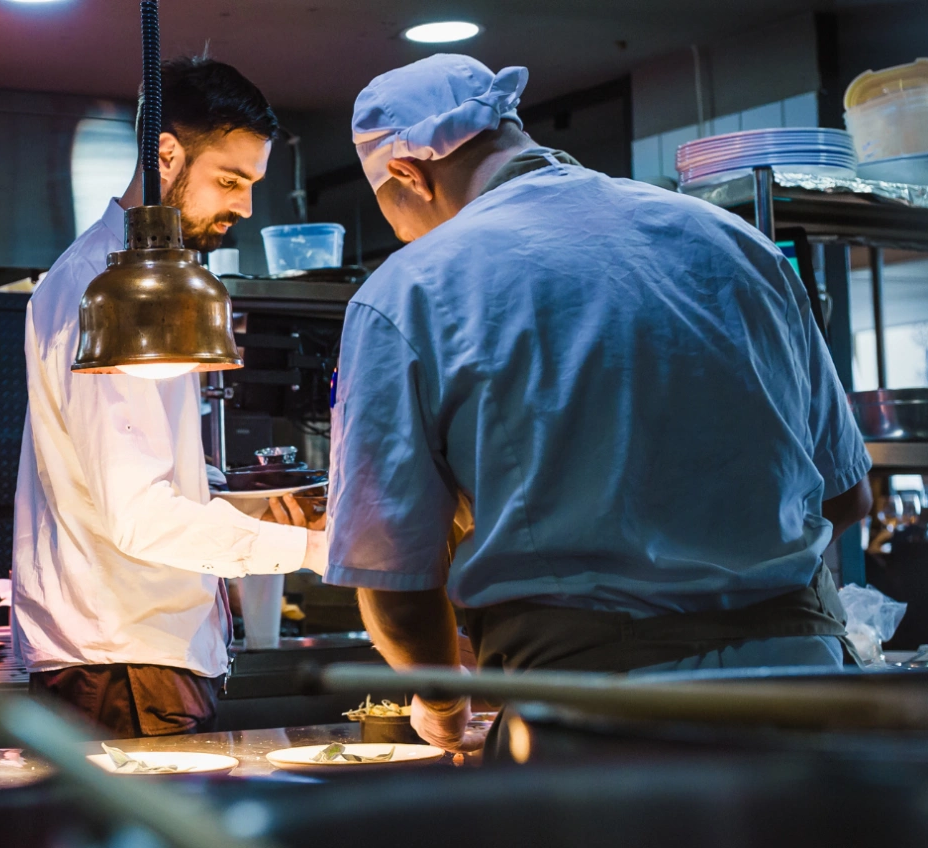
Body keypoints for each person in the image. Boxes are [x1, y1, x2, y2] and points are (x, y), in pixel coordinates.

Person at [313, 54, 873, 754]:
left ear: (407, 175)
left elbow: (393, 582)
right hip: (803, 692)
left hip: (595, 714)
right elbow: (847, 498)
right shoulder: (738, 245)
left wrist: (442, 703)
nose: (402, 232)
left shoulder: (408, 291)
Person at [13, 56, 327, 738]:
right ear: (166, 153)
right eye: (228, 180)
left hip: (125, 660)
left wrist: (263, 514)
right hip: (125, 667)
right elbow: (142, 519)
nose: (244, 206)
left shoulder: (133, 282)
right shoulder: (110, 291)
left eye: (251, 184)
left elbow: (136, 494)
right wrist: (318, 551)